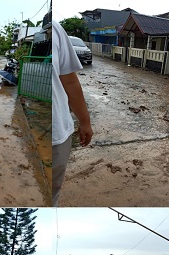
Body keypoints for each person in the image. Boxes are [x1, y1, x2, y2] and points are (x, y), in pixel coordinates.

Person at [51, 20, 93, 206]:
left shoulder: (56, 29)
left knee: (53, 191)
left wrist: (85, 121)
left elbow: (70, 81)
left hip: (59, 136)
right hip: (53, 133)